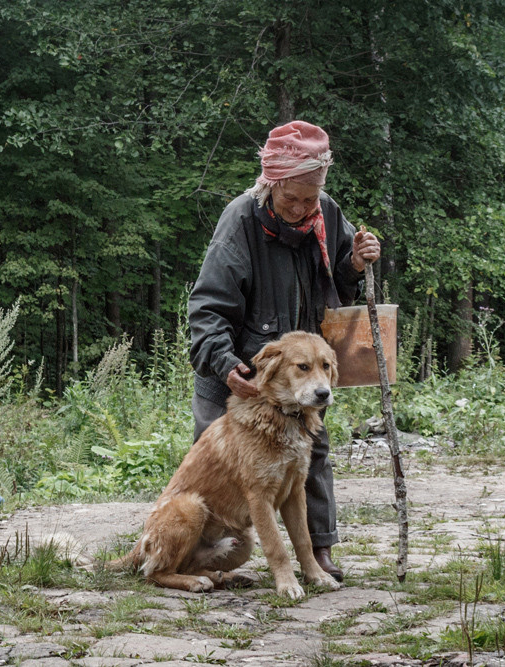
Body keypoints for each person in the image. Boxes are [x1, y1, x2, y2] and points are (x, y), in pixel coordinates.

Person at [187, 120, 381, 581]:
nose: (299, 209)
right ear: (269, 183)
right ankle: (191, 552)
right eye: (288, 198)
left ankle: (318, 553)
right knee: (216, 467)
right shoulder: (241, 220)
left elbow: (341, 279)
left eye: (308, 199)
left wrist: (356, 261)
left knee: (310, 457)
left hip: (300, 374)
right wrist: (224, 362)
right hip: (242, 369)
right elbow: (207, 306)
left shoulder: (327, 213)